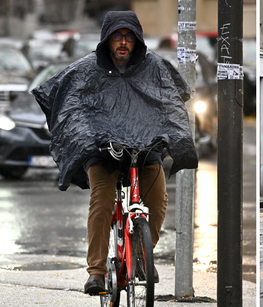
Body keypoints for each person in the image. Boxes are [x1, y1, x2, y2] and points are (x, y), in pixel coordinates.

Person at [32, 11, 198, 295]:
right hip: (102, 150)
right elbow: (70, 108)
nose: (123, 42)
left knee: (157, 198)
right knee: (103, 198)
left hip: (144, 148)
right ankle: (96, 272)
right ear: (107, 40)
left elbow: (171, 104)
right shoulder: (86, 70)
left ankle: (142, 256)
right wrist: (88, 137)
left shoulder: (154, 67)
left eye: (129, 36)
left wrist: (172, 136)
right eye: (117, 36)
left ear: (137, 40)